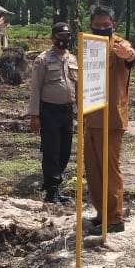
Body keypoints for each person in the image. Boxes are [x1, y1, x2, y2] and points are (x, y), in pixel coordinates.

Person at [83, 4, 135, 235]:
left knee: (110, 169)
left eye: (107, 25)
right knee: (93, 170)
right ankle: (101, 214)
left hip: (112, 120)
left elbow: (130, 55)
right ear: (91, 27)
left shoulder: (120, 45)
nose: (102, 28)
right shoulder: (87, 47)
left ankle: (115, 218)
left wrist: (128, 54)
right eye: (98, 26)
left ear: (113, 25)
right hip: (90, 118)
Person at [28, 21, 78, 204]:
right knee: (51, 152)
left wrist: (81, 111)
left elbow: (77, 87)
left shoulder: (72, 59)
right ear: (53, 38)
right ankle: (51, 191)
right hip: (49, 111)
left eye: (67, 37)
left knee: (65, 151)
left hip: (67, 111)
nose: (64, 40)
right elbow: (36, 88)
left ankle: (54, 185)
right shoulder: (43, 60)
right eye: (60, 37)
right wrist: (34, 115)